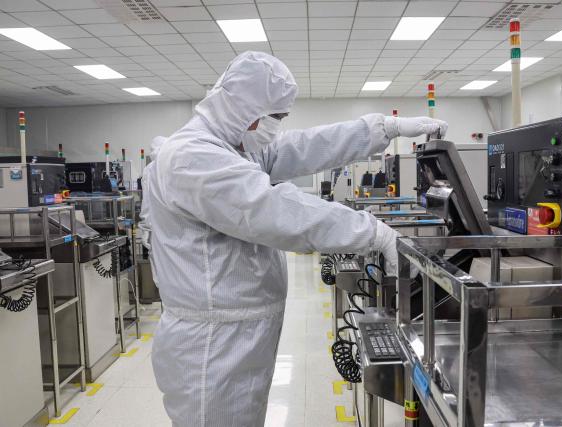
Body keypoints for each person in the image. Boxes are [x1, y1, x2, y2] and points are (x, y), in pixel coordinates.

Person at [146, 51, 447, 427]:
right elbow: (272, 210)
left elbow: (304, 146)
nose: (278, 127)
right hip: (212, 347)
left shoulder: (235, 146)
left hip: (236, 334)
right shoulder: (193, 157)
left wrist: (383, 129)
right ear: (245, 109)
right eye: (276, 118)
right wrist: (371, 231)